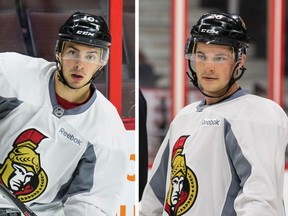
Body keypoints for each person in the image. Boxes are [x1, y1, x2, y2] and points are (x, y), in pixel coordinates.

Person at [139, 11, 288, 215]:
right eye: (201, 56)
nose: (208, 67)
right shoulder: (185, 117)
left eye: (220, 58)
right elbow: (154, 200)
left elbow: (260, 202)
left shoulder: (256, 114)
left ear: (240, 60)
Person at [0, 12, 129, 216]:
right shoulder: (11, 73)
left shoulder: (106, 127)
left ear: (102, 61)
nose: (80, 64)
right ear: (58, 51)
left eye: (90, 56)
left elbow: (91, 203)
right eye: (73, 52)